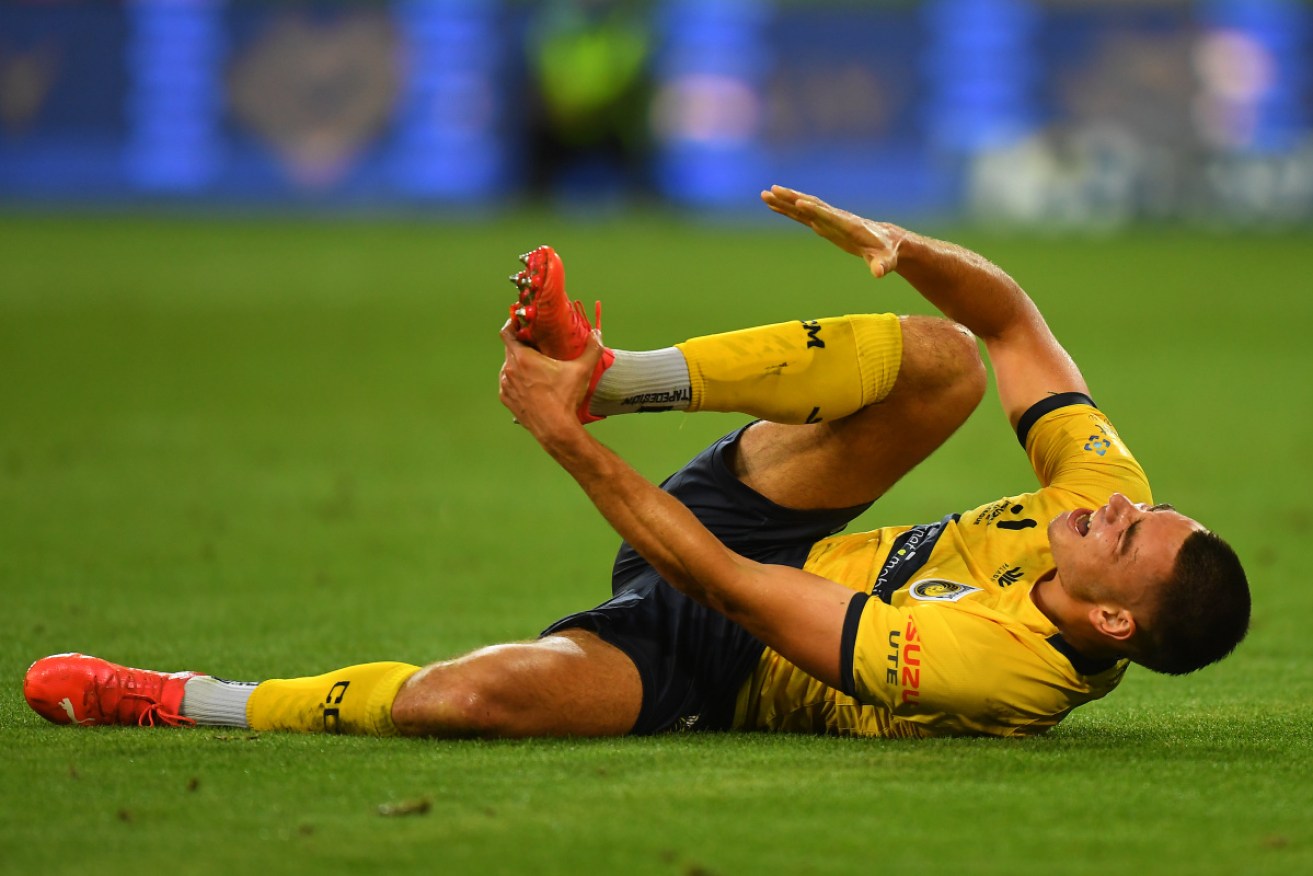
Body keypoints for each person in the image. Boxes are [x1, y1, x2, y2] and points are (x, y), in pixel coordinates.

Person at [23, 186, 1250, 740]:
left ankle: (171, 696)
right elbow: (1011, 326)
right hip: (782, 528)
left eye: (1125, 538)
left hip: (727, 654)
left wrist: (560, 447)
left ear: (1108, 620)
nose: (1109, 511)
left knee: (472, 700)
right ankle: (608, 372)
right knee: (937, 364)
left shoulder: (996, 670)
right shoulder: (1104, 511)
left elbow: (736, 596)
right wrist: (902, 243)